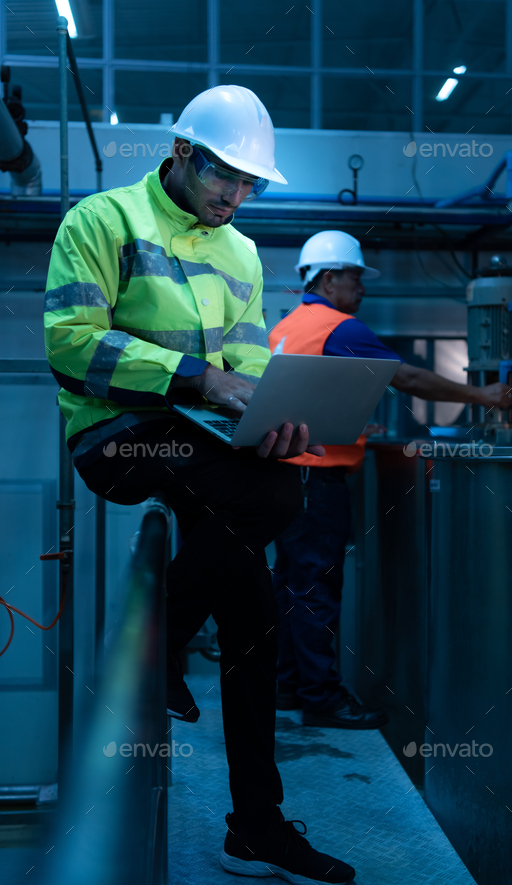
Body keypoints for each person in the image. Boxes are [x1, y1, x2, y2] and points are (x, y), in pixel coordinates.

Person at [44, 88, 355, 885]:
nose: (236, 197)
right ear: (182, 151)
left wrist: (274, 416)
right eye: (226, 177)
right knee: (277, 501)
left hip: (204, 443)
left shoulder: (242, 253)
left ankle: (255, 825)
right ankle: (168, 647)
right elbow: (71, 345)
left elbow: (248, 367)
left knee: (255, 616)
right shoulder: (103, 220)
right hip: (115, 436)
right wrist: (199, 381)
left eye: (251, 185)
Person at [268, 230, 512, 729]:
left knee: (291, 584)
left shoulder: (289, 326)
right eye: (356, 278)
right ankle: (323, 699)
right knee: (315, 585)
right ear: (330, 277)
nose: (363, 289)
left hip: (286, 476)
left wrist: (356, 424)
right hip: (319, 482)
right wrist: (483, 396)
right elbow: (409, 379)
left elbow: (309, 397)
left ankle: (288, 686)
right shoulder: (342, 328)